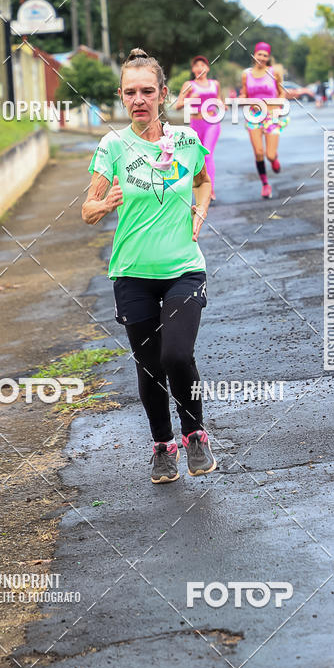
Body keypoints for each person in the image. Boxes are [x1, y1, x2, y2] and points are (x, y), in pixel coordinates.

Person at [82, 48, 217, 484]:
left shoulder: (185, 141)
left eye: (147, 91)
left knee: (177, 355)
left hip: (183, 268)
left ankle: (195, 433)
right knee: (149, 365)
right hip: (132, 274)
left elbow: (202, 181)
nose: (138, 100)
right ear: (121, 97)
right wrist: (104, 203)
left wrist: (200, 212)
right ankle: (163, 446)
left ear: (163, 94)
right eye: (130, 93)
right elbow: (87, 209)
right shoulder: (113, 146)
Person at [240, 41, 288, 199]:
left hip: (272, 114)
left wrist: (279, 105)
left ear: (268, 57)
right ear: (254, 55)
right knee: (259, 152)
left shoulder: (274, 72)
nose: (262, 57)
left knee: (270, 154)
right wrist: (240, 99)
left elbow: (282, 93)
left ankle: (274, 160)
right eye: (259, 54)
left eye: (265, 55)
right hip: (253, 115)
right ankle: (265, 184)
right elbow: (244, 94)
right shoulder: (246, 74)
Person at [173, 56, 222, 201]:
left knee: (207, 154)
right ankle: (199, 186)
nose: (200, 68)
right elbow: (177, 105)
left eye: (203, 65)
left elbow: (219, 100)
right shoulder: (189, 85)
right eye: (197, 65)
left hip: (212, 121)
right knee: (197, 157)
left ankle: (210, 190)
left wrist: (222, 104)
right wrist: (190, 98)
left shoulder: (215, 84)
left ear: (208, 68)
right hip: (196, 123)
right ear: (193, 69)